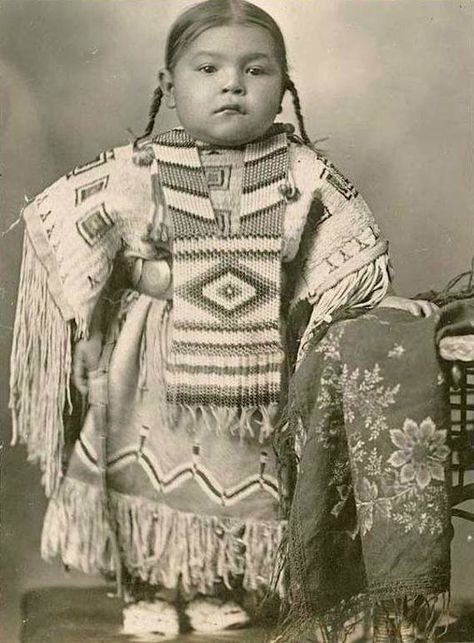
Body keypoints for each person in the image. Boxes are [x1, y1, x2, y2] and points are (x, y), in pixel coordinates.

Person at [10, 0, 446, 639]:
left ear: (285, 88)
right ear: (170, 86)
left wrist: (375, 302)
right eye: (207, 68)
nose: (232, 85)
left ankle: (215, 580)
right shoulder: (142, 168)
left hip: (257, 363)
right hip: (151, 355)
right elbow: (77, 229)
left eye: (255, 71)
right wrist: (93, 329)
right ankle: (152, 585)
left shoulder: (303, 173)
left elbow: (341, 258)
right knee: (141, 459)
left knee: (243, 469)